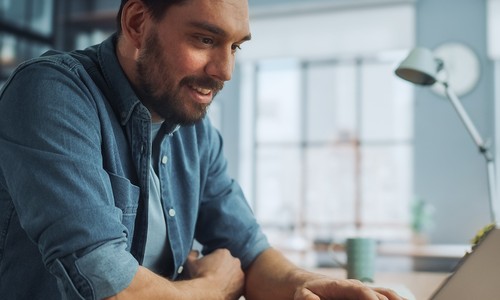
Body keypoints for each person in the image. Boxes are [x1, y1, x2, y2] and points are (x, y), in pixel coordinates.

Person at [0, 0, 405, 299]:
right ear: (138, 23)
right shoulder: (51, 94)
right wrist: (214, 288)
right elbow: (107, 286)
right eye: (206, 39)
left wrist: (310, 285)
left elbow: (248, 252)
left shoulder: (193, 128)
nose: (225, 71)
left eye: (235, 46)